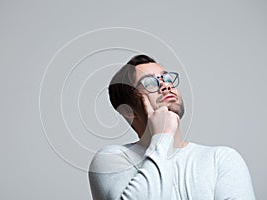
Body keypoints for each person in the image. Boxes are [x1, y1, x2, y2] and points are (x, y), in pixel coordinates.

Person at [88, 54, 256, 200]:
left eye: (166, 78)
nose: (166, 86)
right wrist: (162, 138)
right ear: (128, 110)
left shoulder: (221, 159)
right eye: (149, 83)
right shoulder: (112, 159)